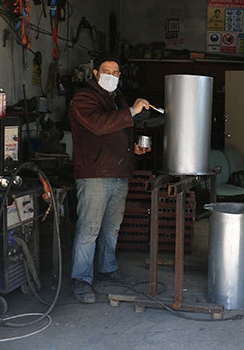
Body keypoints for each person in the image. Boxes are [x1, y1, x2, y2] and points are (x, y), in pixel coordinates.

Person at [69, 55, 151, 303]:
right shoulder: (84, 98)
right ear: (95, 73)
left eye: (116, 73)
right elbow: (98, 126)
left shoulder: (117, 100)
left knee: (111, 228)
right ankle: (81, 280)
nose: (111, 76)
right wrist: (132, 111)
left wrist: (133, 149)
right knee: (89, 229)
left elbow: (119, 131)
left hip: (118, 173)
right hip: (94, 175)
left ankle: (107, 270)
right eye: (107, 71)